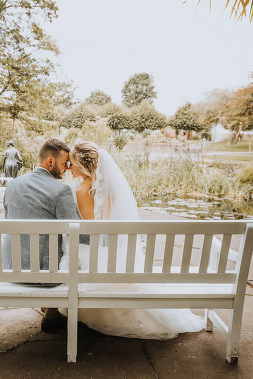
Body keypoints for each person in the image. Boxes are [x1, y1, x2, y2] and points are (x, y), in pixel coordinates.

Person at [64, 141, 205, 339]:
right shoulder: (113, 187)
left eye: (71, 163)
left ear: (82, 165)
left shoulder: (77, 189)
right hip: (121, 256)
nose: (68, 168)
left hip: (95, 259)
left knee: (72, 253)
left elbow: (91, 228)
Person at [1, 138, 83, 333]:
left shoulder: (12, 185)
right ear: (50, 162)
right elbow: (80, 234)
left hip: (9, 267)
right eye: (65, 164)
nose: (67, 168)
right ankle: (52, 315)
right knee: (71, 255)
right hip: (43, 276)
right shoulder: (60, 190)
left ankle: (49, 310)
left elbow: (8, 221)